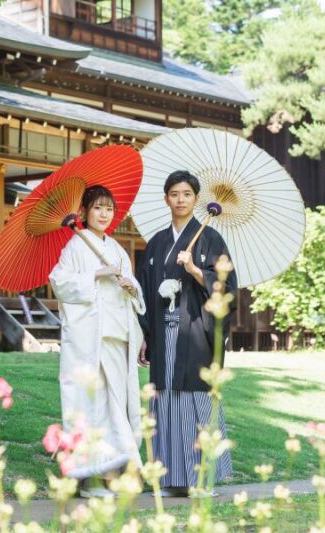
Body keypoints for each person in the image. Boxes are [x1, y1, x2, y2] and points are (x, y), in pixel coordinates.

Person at [135, 170, 237, 495]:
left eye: (187, 194)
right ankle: (171, 478)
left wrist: (195, 271)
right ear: (166, 198)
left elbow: (227, 287)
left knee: (194, 398)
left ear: (196, 199)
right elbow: (145, 290)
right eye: (174, 194)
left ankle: (201, 478)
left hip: (194, 330)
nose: (180, 199)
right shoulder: (156, 245)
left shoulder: (211, 239)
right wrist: (144, 334)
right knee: (165, 400)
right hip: (163, 333)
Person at [49, 185, 145, 496]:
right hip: (88, 339)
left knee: (117, 403)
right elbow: (59, 282)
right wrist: (94, 275)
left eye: (108, 209)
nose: (104, 214)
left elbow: (132, 294)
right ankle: (88, 477)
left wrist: (132, 287)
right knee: (92, 405)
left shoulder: (116, 249)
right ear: (85, 213)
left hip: (116, 336)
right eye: (97, 208)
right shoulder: (75, 247)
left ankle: (112, 473)